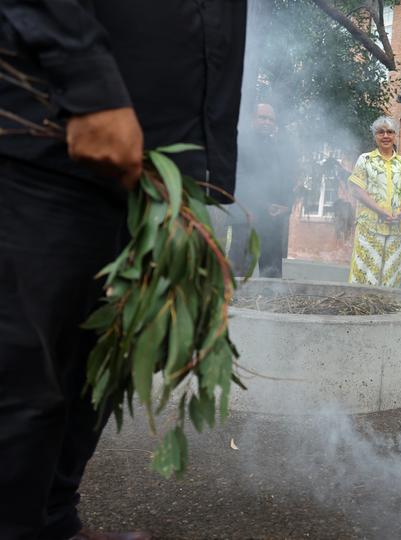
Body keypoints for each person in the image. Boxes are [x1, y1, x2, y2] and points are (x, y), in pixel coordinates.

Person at [0, 2, 246, 539]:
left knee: (100, 364)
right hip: (49, 133)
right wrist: (87, 80)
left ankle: (55, 521)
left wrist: (203, 168)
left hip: (155, 173)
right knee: (23, 378)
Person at [348, 116, 401, 287]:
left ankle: (385, 310)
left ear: (395, 136)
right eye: (381, 132)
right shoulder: (365, 160)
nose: (386, 135)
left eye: (390, 132)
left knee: (391, 273)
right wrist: (381, 211)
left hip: (396, 227)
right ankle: (361, 309)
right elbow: (357, 190)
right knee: (365, 270)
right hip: (369, 227)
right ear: (375, 136)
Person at [230, 102, 295, 278]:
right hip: (246, 217)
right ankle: (234, 304)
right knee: (240, 272)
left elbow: (288, 180)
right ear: (253, 119)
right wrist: (264, 204)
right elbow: (239, 180)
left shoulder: (278, 149)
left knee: (272, 273)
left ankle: (270, 304)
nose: (267, 122)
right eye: (262, 117)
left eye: (271, 119)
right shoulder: (239, 144)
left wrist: (287, 206)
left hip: (273, 221)